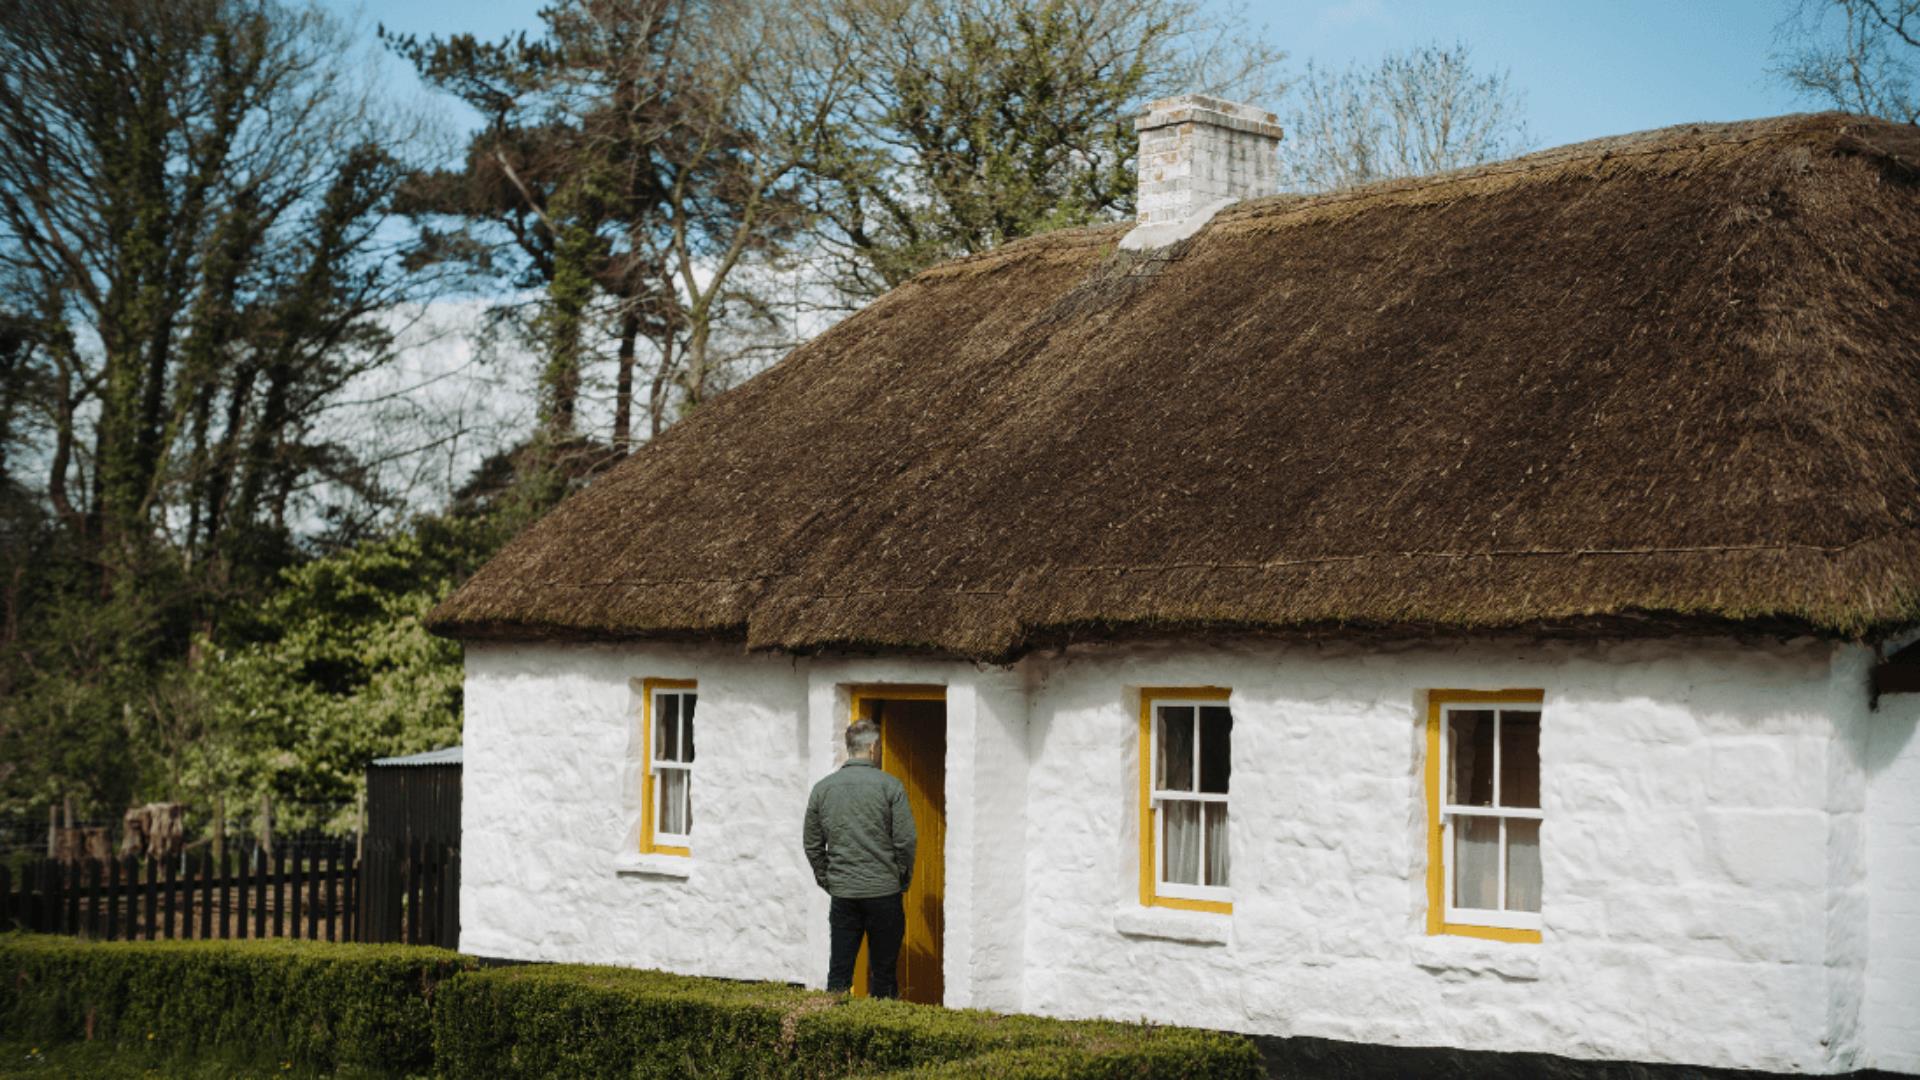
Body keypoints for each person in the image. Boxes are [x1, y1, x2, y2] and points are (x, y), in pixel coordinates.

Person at [802, 718, 917, 998]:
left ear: (849, 747)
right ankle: (882, 1034)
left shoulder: (823, 789)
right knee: (884, 975)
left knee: (839, 973)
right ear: (874, 747)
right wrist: (900, 876)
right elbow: (906, 840)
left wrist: (827, 879)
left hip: (844, 894)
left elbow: (812, 843)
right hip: (884, 892)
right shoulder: (890, 786)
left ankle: (832, 1035)